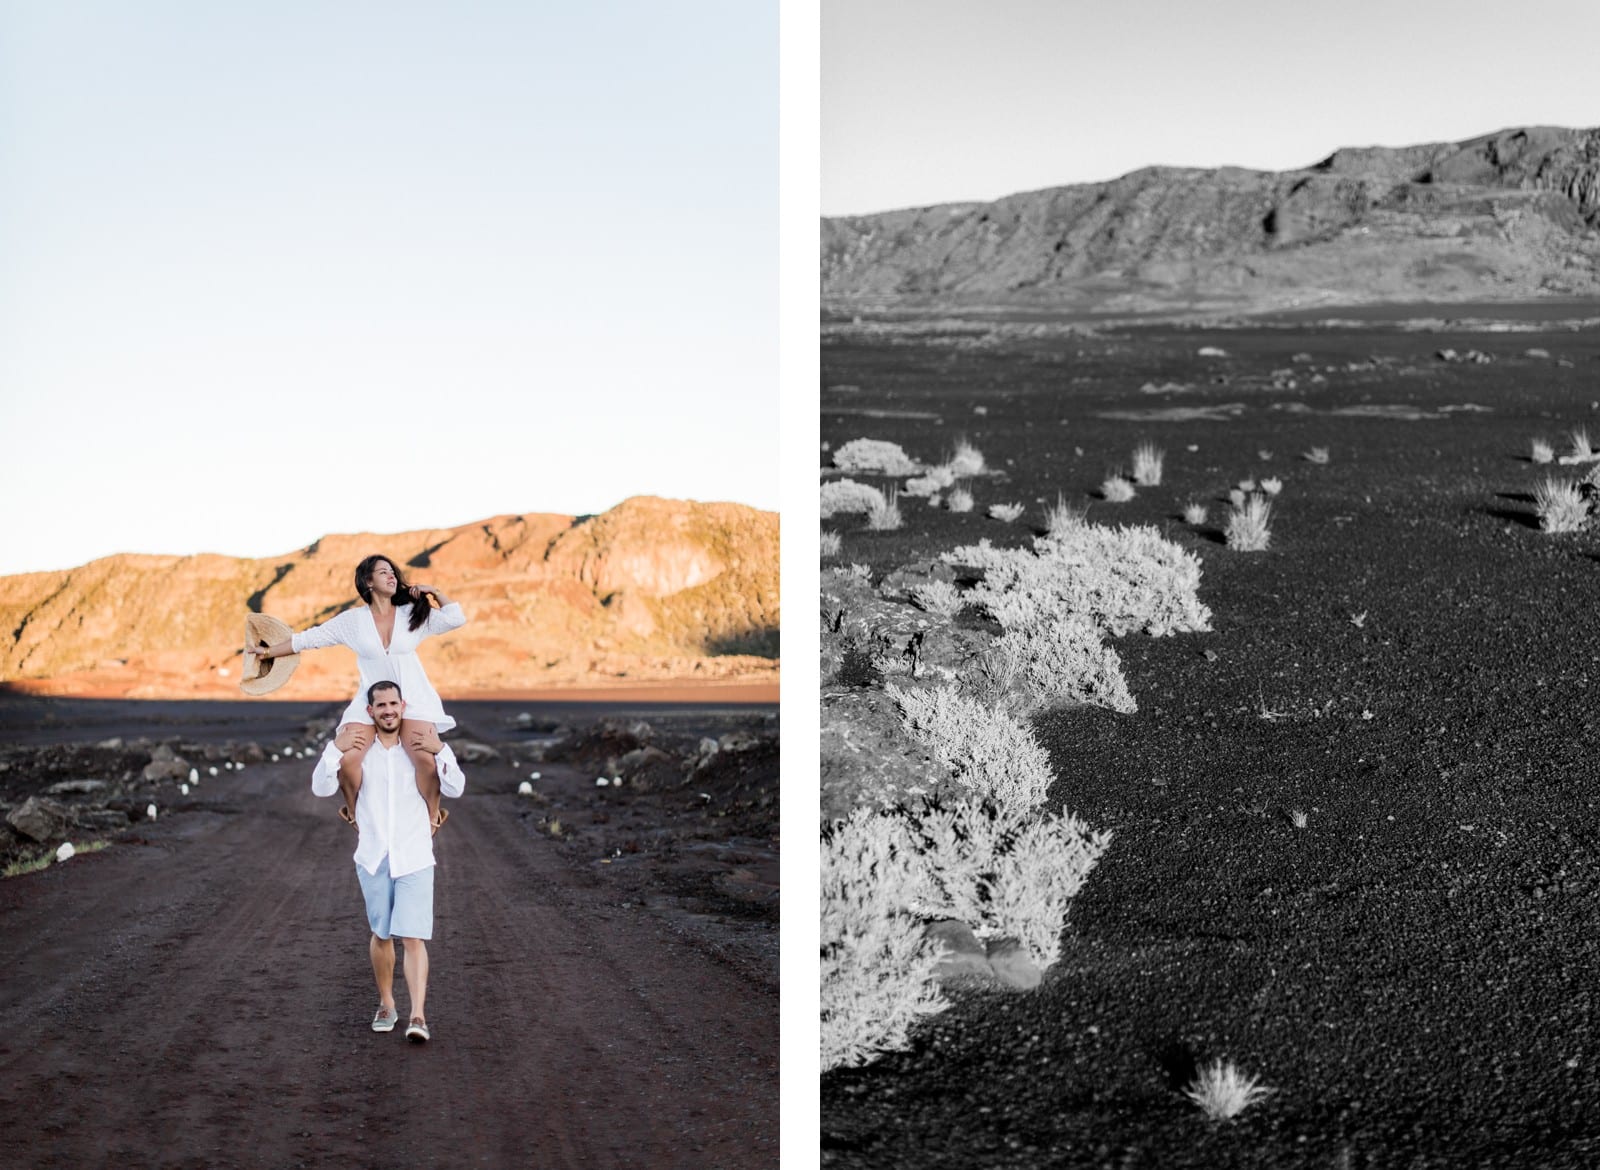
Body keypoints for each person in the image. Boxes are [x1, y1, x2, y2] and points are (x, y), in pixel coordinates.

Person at [249, 553, 466, 831]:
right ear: (368, 581)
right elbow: (306, 639)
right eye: (383, 572)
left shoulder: (411, 613)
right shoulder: (352, 621)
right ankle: (353, 814)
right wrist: (267, 652)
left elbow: (455, 619)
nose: (392, 576)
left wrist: (434, 593)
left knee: (425, 760)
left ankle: (433, 816)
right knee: (349, 759)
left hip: (414, 701)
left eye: (393, 573)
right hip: (369, 701)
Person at [311, 680, 465, 1041]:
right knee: (381, 934)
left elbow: (457, 787)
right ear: (370, 712)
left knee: (413, 937)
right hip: (374, 856)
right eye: (381, 706)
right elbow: (320, 788)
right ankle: (386, 1003)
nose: (388, 710)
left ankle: (418, 1016)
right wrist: (334, 748)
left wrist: (440, 748)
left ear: (403, 705)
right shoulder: (359, 754)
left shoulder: (420, 751)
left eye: (393, 704)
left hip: (414, 856)